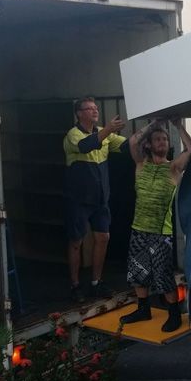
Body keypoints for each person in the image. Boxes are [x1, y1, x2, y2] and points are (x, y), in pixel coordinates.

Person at [119, 119, 191, 332]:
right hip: (138, 228)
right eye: (157, 139)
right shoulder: (141, 165)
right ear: (149, 145)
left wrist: (179, 126)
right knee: (137, 272)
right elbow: (133, 141)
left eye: (164, 139)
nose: (161, 142)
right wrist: (154, 124)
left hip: (161, 233)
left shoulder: (173, 167)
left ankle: (173, 314)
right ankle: (143, 309)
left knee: (163, 275)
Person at [63, 97, 127, 302]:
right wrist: (108, 129)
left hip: (100, 200)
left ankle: (95, 283)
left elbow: (128, 145)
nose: (94, 111)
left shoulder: (104, 133)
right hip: (79, 199)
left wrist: (152, 127)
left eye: (95, 108)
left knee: (103, 238)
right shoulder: (72, 135)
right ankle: (74, 286)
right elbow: (85, 146)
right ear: (79, 113)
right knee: (76, 242)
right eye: (89, 108)